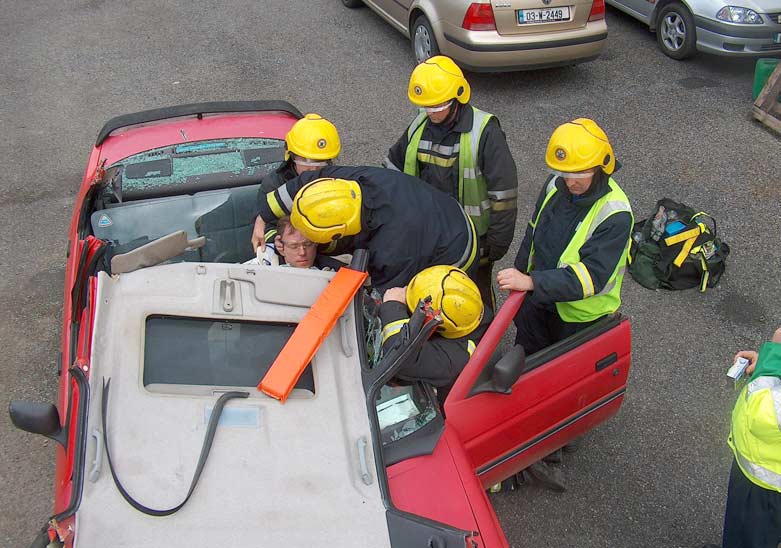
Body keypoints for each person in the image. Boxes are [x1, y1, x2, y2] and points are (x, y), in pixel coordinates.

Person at [384, 55, 518, 309]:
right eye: (426, 107)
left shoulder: (485, 132)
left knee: (474, 299)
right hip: (427, 235)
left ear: (458, 97)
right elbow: (392, 170)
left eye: (437, 106)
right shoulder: (418, 126)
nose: (431, 113)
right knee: (431, 292)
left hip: (472, 241)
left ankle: (484, 342)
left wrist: (495, 246)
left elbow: (504, 195)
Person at [496, 118, 633, 356]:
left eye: (580, 173)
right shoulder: (555, 184)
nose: (570, 182)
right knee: (527, 362)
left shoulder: (615, 213)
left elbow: (591, 276)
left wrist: (532, 282)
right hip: (538, 300)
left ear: (602, 167)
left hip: (578, 318)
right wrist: (521, 275)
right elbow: (534, 231)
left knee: (562, 374)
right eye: (564, 173)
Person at [251, 165, 479, 292]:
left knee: (422, 297)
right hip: (434, 206)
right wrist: (263, 217)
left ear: (341, 231)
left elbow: (388, 296)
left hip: (456, 247)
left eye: (310, 243)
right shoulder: (349, 183)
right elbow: (309, 181)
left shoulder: (393, 249)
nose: (303, 251)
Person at [379, 265, 491, 392]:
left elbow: (401, 361)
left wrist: (393, 307)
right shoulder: (465, 306)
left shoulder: (456, 358)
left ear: (438, 326)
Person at [718, 328, 781, 548]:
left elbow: (764, 418)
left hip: (766, 483)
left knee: (749, 539)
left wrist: (773, 358)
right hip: (761, 470)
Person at [258, 113, 341, 247]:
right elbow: (265, 228)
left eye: (321, 161)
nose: (314, 168)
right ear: (291, 155)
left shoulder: (339, 181)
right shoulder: (274, 184)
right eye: (306, 160)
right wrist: (277, 241)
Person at [273, 216, 344, 271]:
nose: (302, 253)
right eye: (294, 246)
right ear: (281, 248)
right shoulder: (264, 265)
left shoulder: (338, 271)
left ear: (316, 243)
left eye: (307, 244)